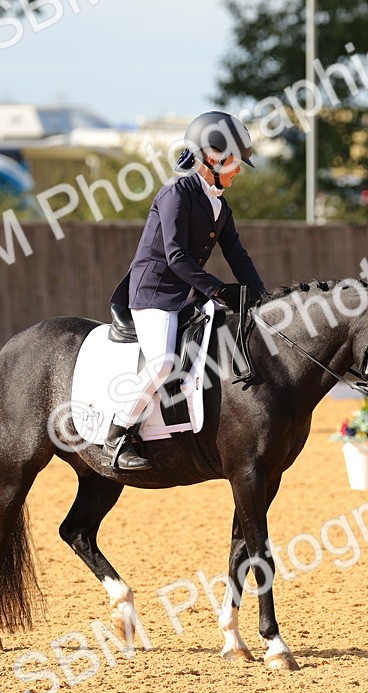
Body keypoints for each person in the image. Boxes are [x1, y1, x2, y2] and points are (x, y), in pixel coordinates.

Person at [105, 111, 268, 471]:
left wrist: (262, 297)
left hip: (187, 294)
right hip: (155, 293)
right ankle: (119, 432)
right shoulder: (175, 194)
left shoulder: (219, 205)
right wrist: (220, 292)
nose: (239, 170)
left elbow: (237, 255)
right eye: (235, 163)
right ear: (212, 157)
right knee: (163, 363)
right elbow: (176, 257)